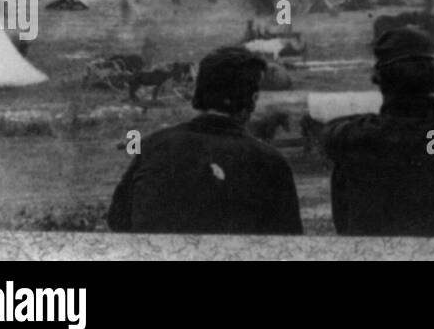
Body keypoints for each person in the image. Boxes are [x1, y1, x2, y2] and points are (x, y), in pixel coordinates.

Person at [322, 27, 434, 236]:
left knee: (346, 163)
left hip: (379, 248)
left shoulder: (358, 135)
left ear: (380, 80)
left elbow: (330, 133)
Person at [107, 46, 302, 234]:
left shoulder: (152, 146)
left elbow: (118, 219)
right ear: (253, 100)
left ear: (198, 93)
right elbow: (289, 242)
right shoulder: (272, 163)